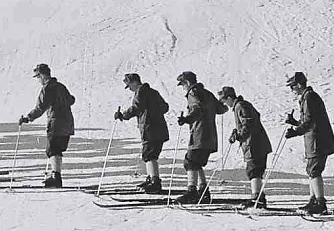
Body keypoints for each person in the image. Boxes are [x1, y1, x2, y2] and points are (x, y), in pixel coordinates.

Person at [284, 71, 334, 215]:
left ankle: (320, 202)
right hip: (314, 140)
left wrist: (295, 131)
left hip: (317, 141)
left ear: (300, 85)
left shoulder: (309, 98)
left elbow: (309, 122)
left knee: (314, 170)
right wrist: (294, 123)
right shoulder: (307, 97)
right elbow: (307, 120)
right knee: (311, 170)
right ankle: (313, 200)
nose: (292, 90)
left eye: (293, 86)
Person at [19, 64, 76, 188]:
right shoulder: (61, 86)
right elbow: (71, 100)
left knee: (52, 150)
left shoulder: (47, 88)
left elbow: (40, 107)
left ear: (43, 75)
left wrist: (27, 118)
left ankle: (56, 178)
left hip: (56, 122)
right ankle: (56, 174)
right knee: (58, 149)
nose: (38, 80)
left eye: (38, 77)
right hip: (68, 122)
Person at [218, 86, 273, 209]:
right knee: (254, 170)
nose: (224, 103)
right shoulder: (242, 105)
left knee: (254, 170)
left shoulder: (240, 106)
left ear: (230, 98)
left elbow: (248, 123)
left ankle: (257, 198)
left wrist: (239, 134)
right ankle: (259, 197)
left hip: (254, 144)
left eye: (224, 100)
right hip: (255, 143)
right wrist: (237, 131)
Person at [116, 73, 170, 194]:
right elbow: (165, 107)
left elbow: (136, 107)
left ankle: (155, 182)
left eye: (129, 85)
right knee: (151, 154)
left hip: (149, 128)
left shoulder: (141, 92)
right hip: (159, 128)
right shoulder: (153, 92)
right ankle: (151, 178)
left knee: (149, 155)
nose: (129, 88)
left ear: (135, 82)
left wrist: (123, 115)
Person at [174, 71, 218, 204]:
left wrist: (186, 119)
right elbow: (221, 108)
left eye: (182, 85)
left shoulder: (193, 93)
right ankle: (203, 191)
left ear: (187, 82)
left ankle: (191, 191)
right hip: (210, 135)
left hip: (199, 134)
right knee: (196, 162)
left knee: (190, 161)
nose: (183, 88)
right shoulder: (207, 93)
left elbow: (197, 110)